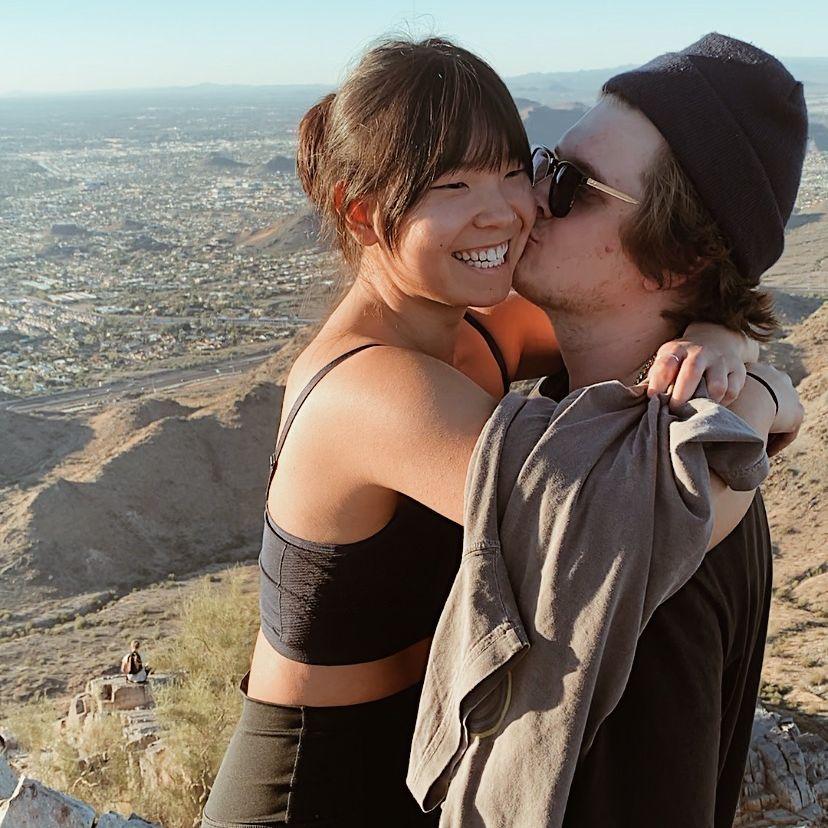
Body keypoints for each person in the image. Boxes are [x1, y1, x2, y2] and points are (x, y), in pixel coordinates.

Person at [201, 37, 800, 828]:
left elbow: (673, 308)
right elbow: (614, 525)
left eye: (530, 171)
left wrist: (730, 345)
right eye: (453, 185)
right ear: (363, 212)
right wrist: (759, 401)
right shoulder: (373, 392)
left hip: (412, 765)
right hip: (313, 789)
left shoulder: (487, 329)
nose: (522, 205)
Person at [408, 34, 807, 827]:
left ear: (677, 256)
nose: (536, 196)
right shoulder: (584, 425)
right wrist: (755, 373)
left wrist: (757, 381)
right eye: (549, 163)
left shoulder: (665, 524)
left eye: (577, 186)